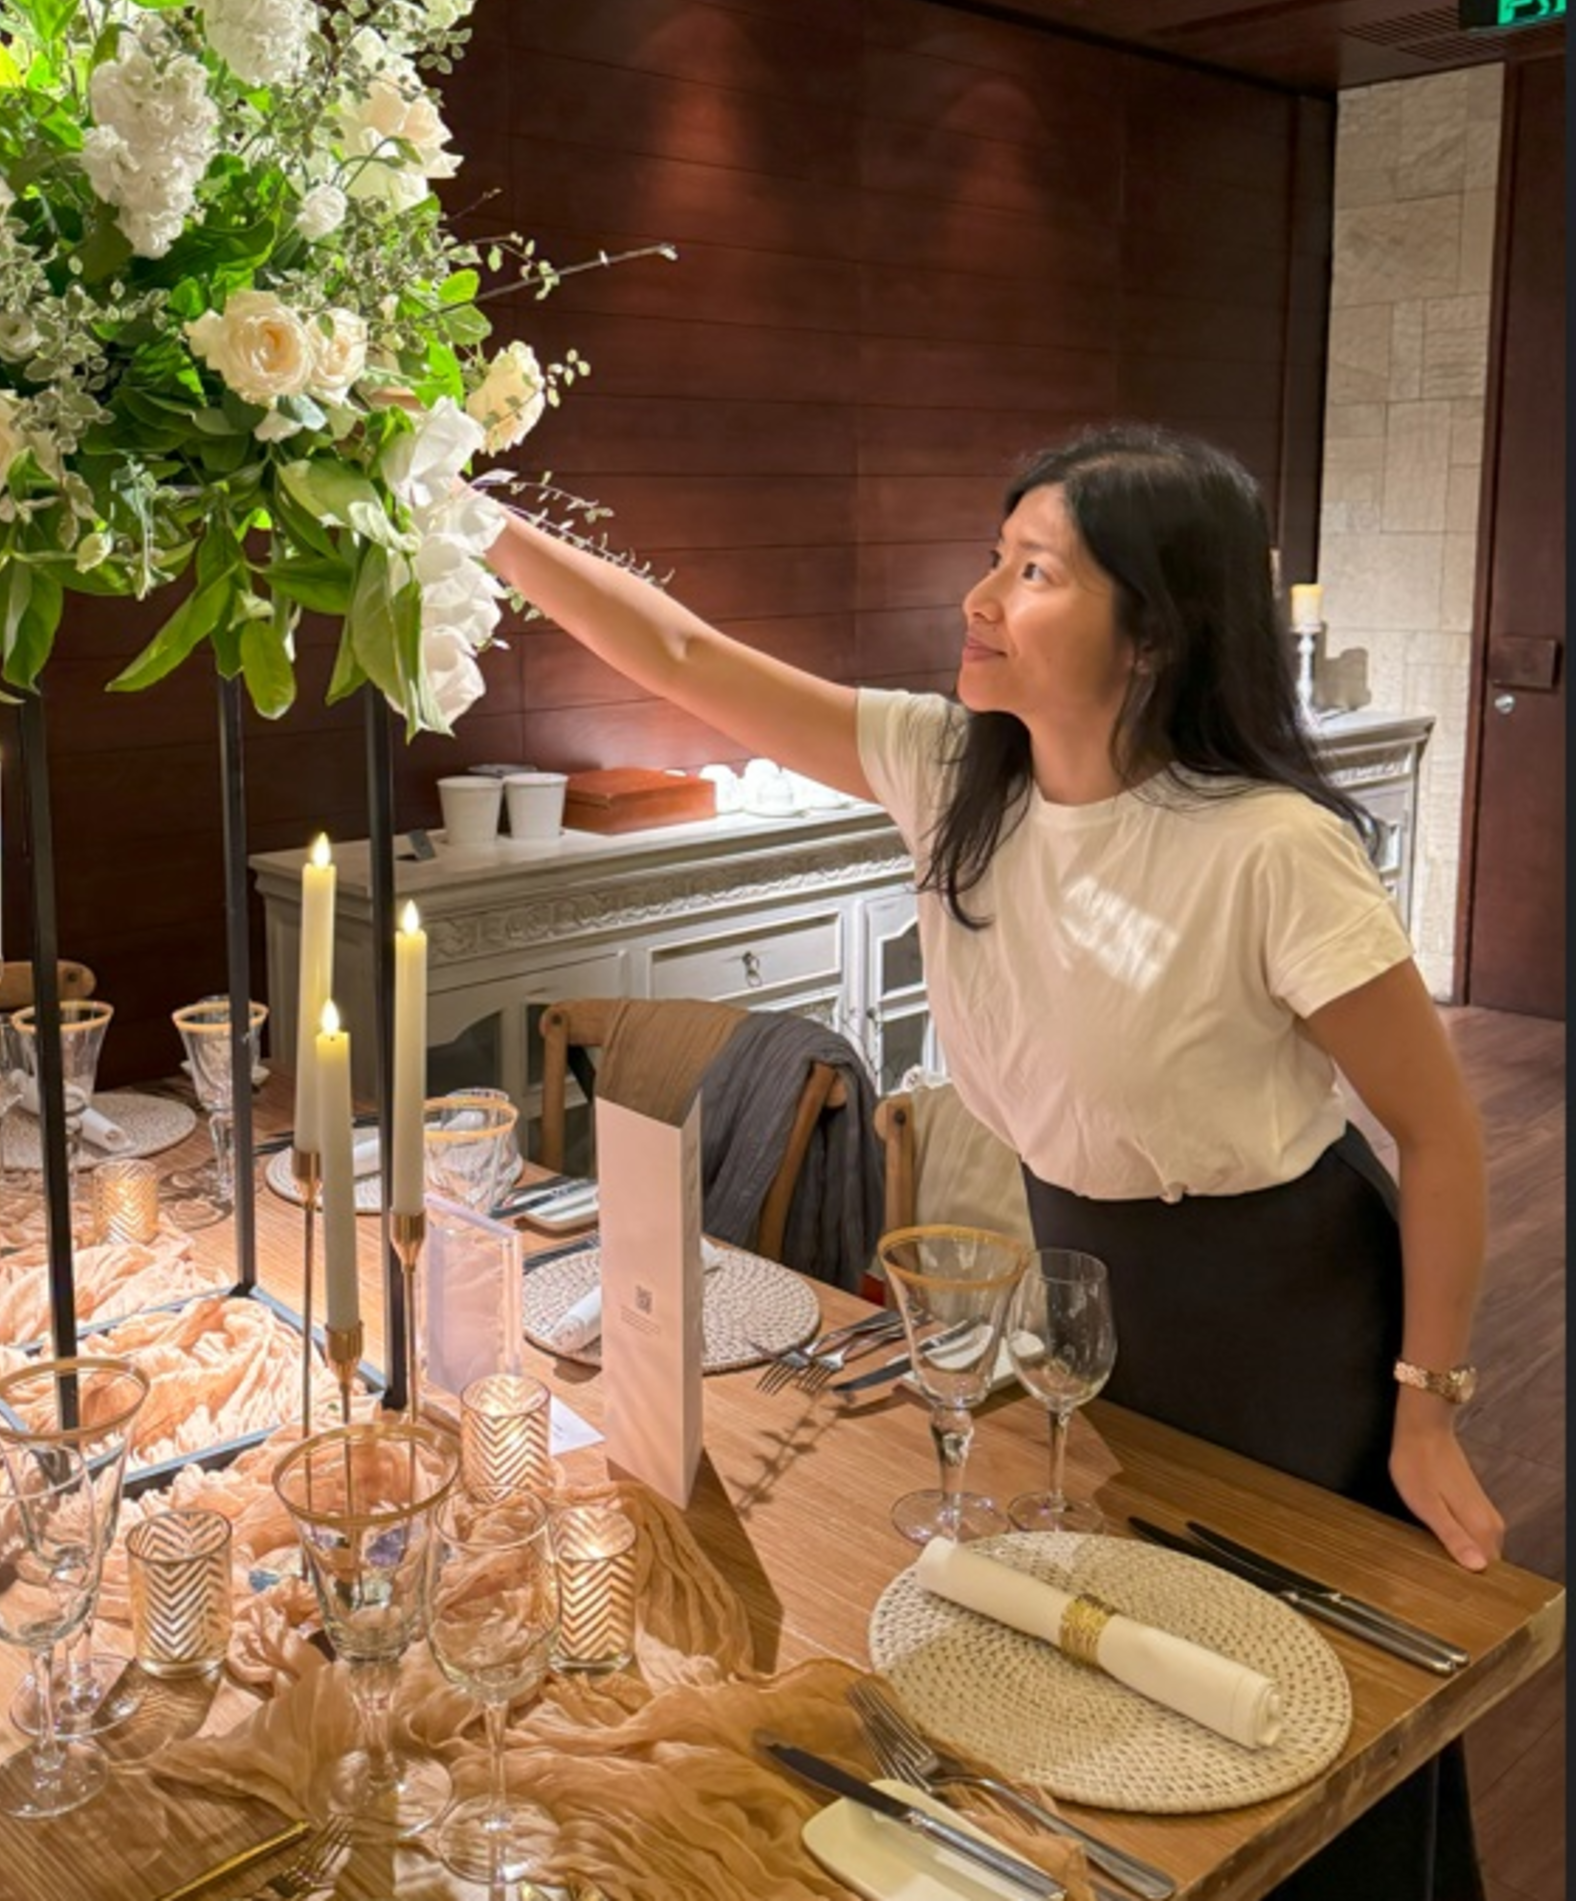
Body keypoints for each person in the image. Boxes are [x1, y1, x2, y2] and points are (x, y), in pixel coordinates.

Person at [486, 420, 1499, 1900]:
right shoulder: (956, 769)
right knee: (1138, 1696)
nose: (979, 595)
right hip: (1097, 1284)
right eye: (995, 554)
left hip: (1292, 1311)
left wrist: (1428, 1404)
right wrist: (463, 512)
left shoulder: (1269, 847)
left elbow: (1443, 1128)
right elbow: (683, 653)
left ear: (1153, 631)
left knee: (1310, 1701)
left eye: (1033, 570)